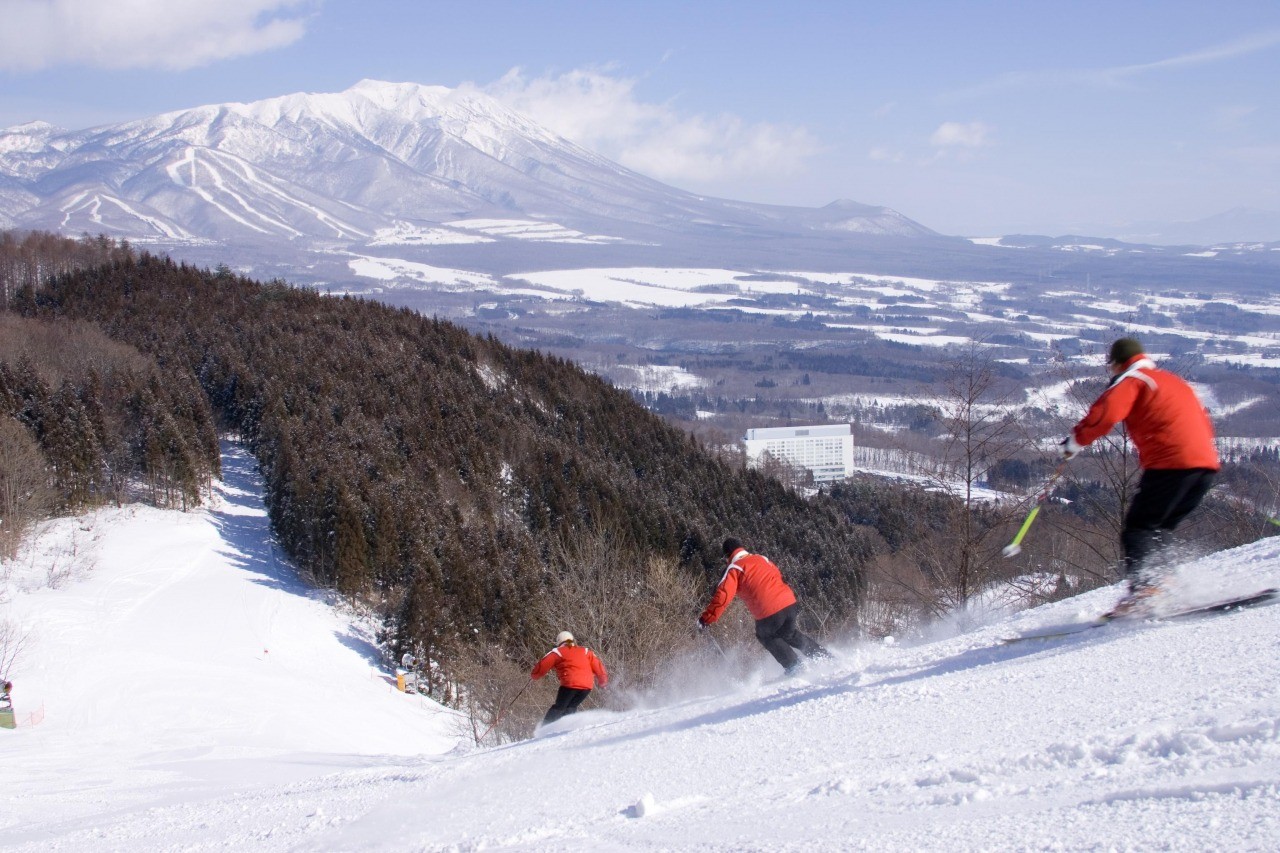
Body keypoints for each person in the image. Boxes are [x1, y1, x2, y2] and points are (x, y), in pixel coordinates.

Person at [1060, 337, 1220, 616]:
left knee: (1139, 528)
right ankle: (1165, 584)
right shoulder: (1172, 380)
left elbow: (1106, 414)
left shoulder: (1134, 379)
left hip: (1172, 464)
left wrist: (1075, 441)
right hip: (1205, 466)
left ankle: (1147, 591)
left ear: (1118, 363)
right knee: (1160, 528)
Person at [698, 537, 831, 675]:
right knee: (789, 634)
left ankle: (795, 667)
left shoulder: (734, 567)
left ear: (728, 555)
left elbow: (723, 596)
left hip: (769, 610)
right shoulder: (762, 558)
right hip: (789, 602)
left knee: (766, 635)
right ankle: (825, 658)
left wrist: (706, 619)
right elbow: (776, 574)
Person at [530, 631, 608, 725]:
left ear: (559, 642)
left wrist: (534, 675)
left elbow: (542, 665)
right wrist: (603, 681)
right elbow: (599, 667)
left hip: (570, 684)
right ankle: (566, 727)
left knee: (559, 707)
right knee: (571, 707)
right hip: (587, 686)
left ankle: (545, 727)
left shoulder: (557, 652)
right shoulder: (586, 651)